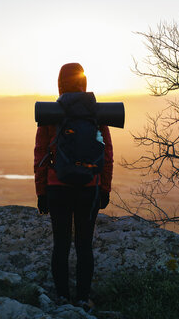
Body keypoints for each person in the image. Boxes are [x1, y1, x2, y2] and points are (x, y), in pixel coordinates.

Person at [33, 63, 114, 310]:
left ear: (60, 83)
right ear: (84, 83)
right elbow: (106, 153)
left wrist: (41, 191)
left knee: (60, 244)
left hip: (58, 186)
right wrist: (105, 188)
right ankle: (82, 298)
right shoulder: (97, 113)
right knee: (84, 244)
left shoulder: (50, 114)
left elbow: (40, 154)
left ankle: (61, 297)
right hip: (89, 187)